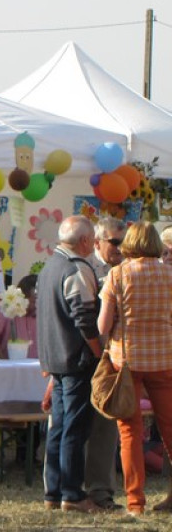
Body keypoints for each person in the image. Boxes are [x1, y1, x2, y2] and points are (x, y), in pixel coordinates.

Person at [96, 222, 172, 517]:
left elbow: (102, 325)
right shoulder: (169, 274)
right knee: (169, 429)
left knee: (129, 432)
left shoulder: (118, 274)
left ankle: (135, 502)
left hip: (126, 362)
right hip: (165, 360)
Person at [37, 215, 103, 514]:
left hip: (55, 358)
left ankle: (54, 492)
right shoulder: (76, 268)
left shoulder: (49, 266)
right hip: (76, 359)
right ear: (86, 241)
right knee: (74, 430)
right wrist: (99, 352)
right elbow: (85, 318)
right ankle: (73, 494)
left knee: (59, 428)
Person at [82, 216, 126, 511]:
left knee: (105, 426)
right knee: (72, 426)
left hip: (112, 359)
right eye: (115, 242)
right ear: (97, 242)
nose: (121, 248)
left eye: (124, 242)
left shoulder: (126, 270)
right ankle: (66, 491)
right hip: (87, 355)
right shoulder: (84, 268)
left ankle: (101, 491)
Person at [0, 274, 38, 359]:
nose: (38, 305)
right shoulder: (6, 307)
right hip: (10, 370)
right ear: (23, 297)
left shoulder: (43, 313)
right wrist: (2, 362)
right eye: (35, 301)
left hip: (36, 371)